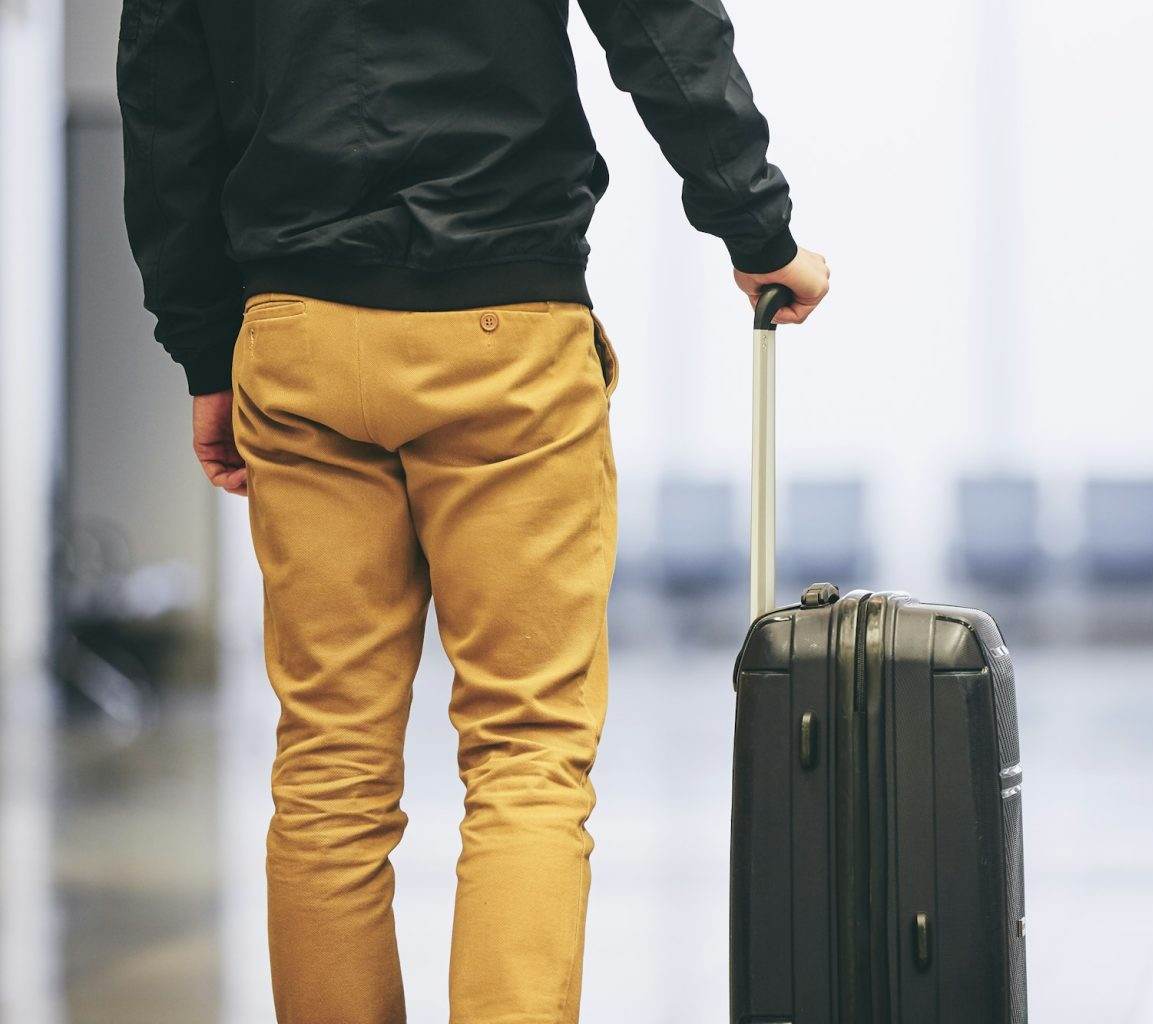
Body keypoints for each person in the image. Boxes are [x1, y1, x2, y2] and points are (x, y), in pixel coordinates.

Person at [116, 0, 828, 1019]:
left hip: (299, 330)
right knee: (527, 750)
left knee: (327, 766)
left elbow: (163, 92)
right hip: (506, 325)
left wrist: (203, 345)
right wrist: (754, 225)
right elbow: (660, 23)